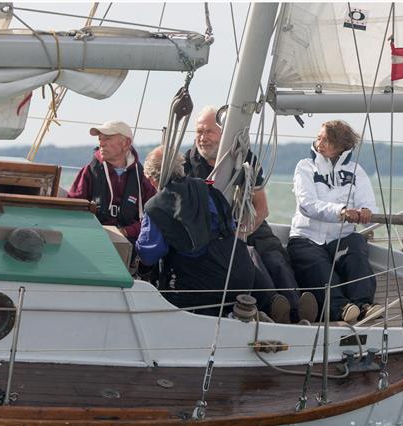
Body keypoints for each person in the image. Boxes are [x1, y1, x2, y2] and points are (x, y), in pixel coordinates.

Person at [184, 106, 316, 324]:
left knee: (274, 257)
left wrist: (244, 229)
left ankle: (297, 311)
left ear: (224, 133)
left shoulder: (245, 158)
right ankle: (276, 308)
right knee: (249, 256)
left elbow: (262, 208)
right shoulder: (188, 164)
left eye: (209, 132)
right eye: (199, 132)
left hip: (248, 222)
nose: (202, 138)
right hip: (215, 233)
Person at [136, 145, 289, 321]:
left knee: (173, 295)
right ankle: (248, 315)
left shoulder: (155, 207)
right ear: (181, 167)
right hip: (240, 272)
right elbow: (230, 225)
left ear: (149, 178)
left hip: (200, 285)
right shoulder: (208, 188)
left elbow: (149, 254)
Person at [287, 120, 383, 324]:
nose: (320, 143)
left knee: (357, 250)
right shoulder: (305, 167)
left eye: (327, 140)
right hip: (306, 237)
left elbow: (368, 203)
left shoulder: (356, 171)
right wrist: (341, 212)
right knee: (317, 266)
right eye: (319, 137)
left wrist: (366, 212)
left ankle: (364, 304)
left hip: (341, 238)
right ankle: (341, 308)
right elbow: (307, 205)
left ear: (342, 146)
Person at [68, 120, 157, 242]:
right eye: (100, 139)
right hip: (94, 238)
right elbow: (72, 208)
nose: (102, 144)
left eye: (108, 139)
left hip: (130, 241)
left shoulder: (142, 177)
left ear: (126, 143)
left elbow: (153, 217)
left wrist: (126, 232)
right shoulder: (89, 172)